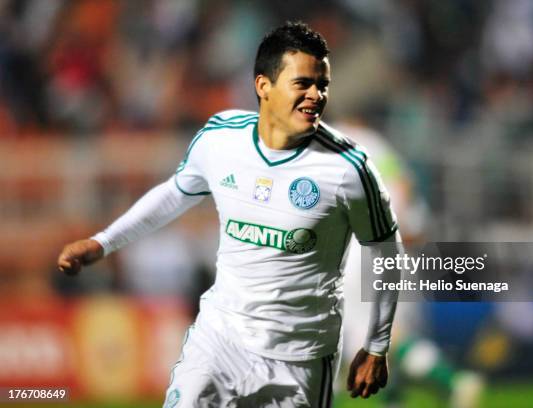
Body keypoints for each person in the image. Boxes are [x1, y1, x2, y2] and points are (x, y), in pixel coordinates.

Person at [57, 21, 401, 407]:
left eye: (322, 85)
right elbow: (174, 194)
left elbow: (386, 250)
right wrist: (104, 242)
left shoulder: (348, 168)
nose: (315, 96)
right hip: (220, 341)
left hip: (301, 357)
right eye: (301, 83)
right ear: (263, 86)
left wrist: (376, 344)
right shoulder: (220, 139)